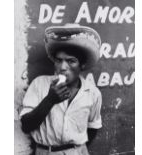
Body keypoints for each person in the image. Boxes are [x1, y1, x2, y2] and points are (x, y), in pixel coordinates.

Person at [20, 24, 102, 155]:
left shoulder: (92, 93)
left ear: (82, 65)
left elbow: (92, 128)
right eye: (58, 60)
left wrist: (74, 149)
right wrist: (50, 100)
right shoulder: (39, 84)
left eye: (71, 61)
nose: (62, 67)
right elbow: (26, 126)